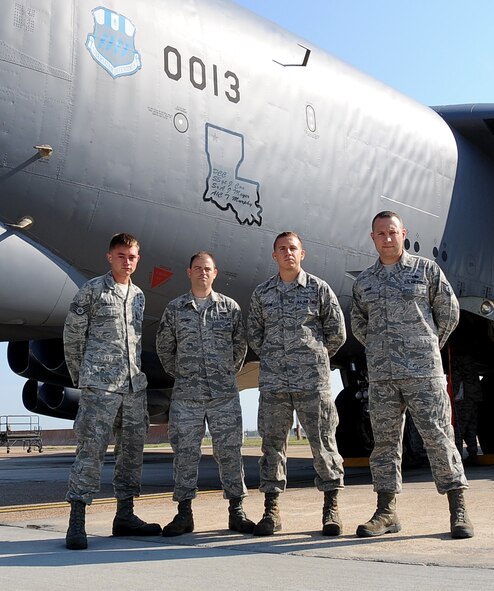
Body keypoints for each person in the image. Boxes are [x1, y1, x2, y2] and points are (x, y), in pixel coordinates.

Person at [351, 211, 473, 539]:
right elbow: (359, 323)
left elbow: (448, 312)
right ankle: (386, 511)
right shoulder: (365, 281)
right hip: (382, 377)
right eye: (381, 234)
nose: (387, 238)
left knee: (438, 437)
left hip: (424, 374)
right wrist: (379, 348)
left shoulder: (426, 270)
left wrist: (428, 345)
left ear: (403, 233)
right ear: (373, 237)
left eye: (393, 232)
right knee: (386, 445)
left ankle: (457, 508)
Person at [63, 233, 161, 550]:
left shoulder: (139, 296)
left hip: (133, 389)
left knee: (131, 454)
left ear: (137, 259)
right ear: (110, 257)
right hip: (100, 387)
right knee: (90, 452)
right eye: (121, 255)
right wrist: (85, 377)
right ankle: (76, 522)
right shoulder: (92, 290)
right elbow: (72, 337)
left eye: (132, 256)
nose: (127, 261)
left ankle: (125, 516)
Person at [247, 231, 346, 536]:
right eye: (282, 249)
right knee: (272, 447)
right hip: (274, 383)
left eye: (293, 248)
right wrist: (277, 357)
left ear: (303, 254)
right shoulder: (262, 293)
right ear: (274, 256)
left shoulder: (319, 289)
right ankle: (271, 510)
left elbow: (337, 332)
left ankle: (331, 510)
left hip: (312, 383)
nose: (288, 253)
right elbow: (254, 334)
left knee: (324, 444)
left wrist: (314, 356)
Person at [156, 251, 254, 536]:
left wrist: (224, 373)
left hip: (223, 394)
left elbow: (240, 347)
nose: (202, 272)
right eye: (197, 268)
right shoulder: (175, 309)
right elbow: (165, 348)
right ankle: (184, 514)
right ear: (189, 272)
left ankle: (237, 511)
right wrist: (185, 374)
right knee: (185, 454)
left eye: (207, 268)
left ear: (215, 273)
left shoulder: (230, 308)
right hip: (187, 396)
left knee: (230, 452)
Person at [450, 347, 482, 465]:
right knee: (471, 428)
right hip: (474, 396)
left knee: (459, 428)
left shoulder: (457, 360)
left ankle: (457, 457)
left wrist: (451, 395)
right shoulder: (471, 360)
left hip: (462, 398)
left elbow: (456, 378)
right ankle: (473, 454)